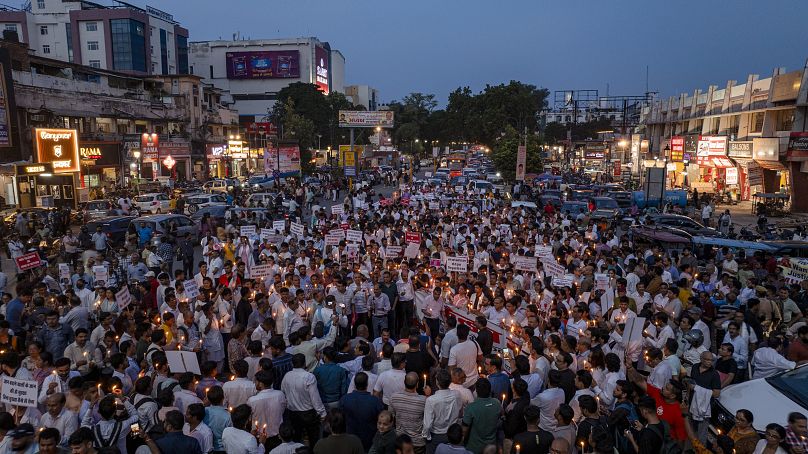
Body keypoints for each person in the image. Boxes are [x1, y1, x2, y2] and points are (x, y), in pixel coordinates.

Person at [340, 371, 384, 451]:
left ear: (355, 384)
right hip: (369, 438)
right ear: (367, 384)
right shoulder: (375, 401)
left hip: (351, 438)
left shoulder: (345, 399)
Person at [461, 378, 501, 454]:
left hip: (474, 448)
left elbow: (464, 430)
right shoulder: (497, 403)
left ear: (476, 391)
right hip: (491, 447)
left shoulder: (471, 408)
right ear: (490, 390)